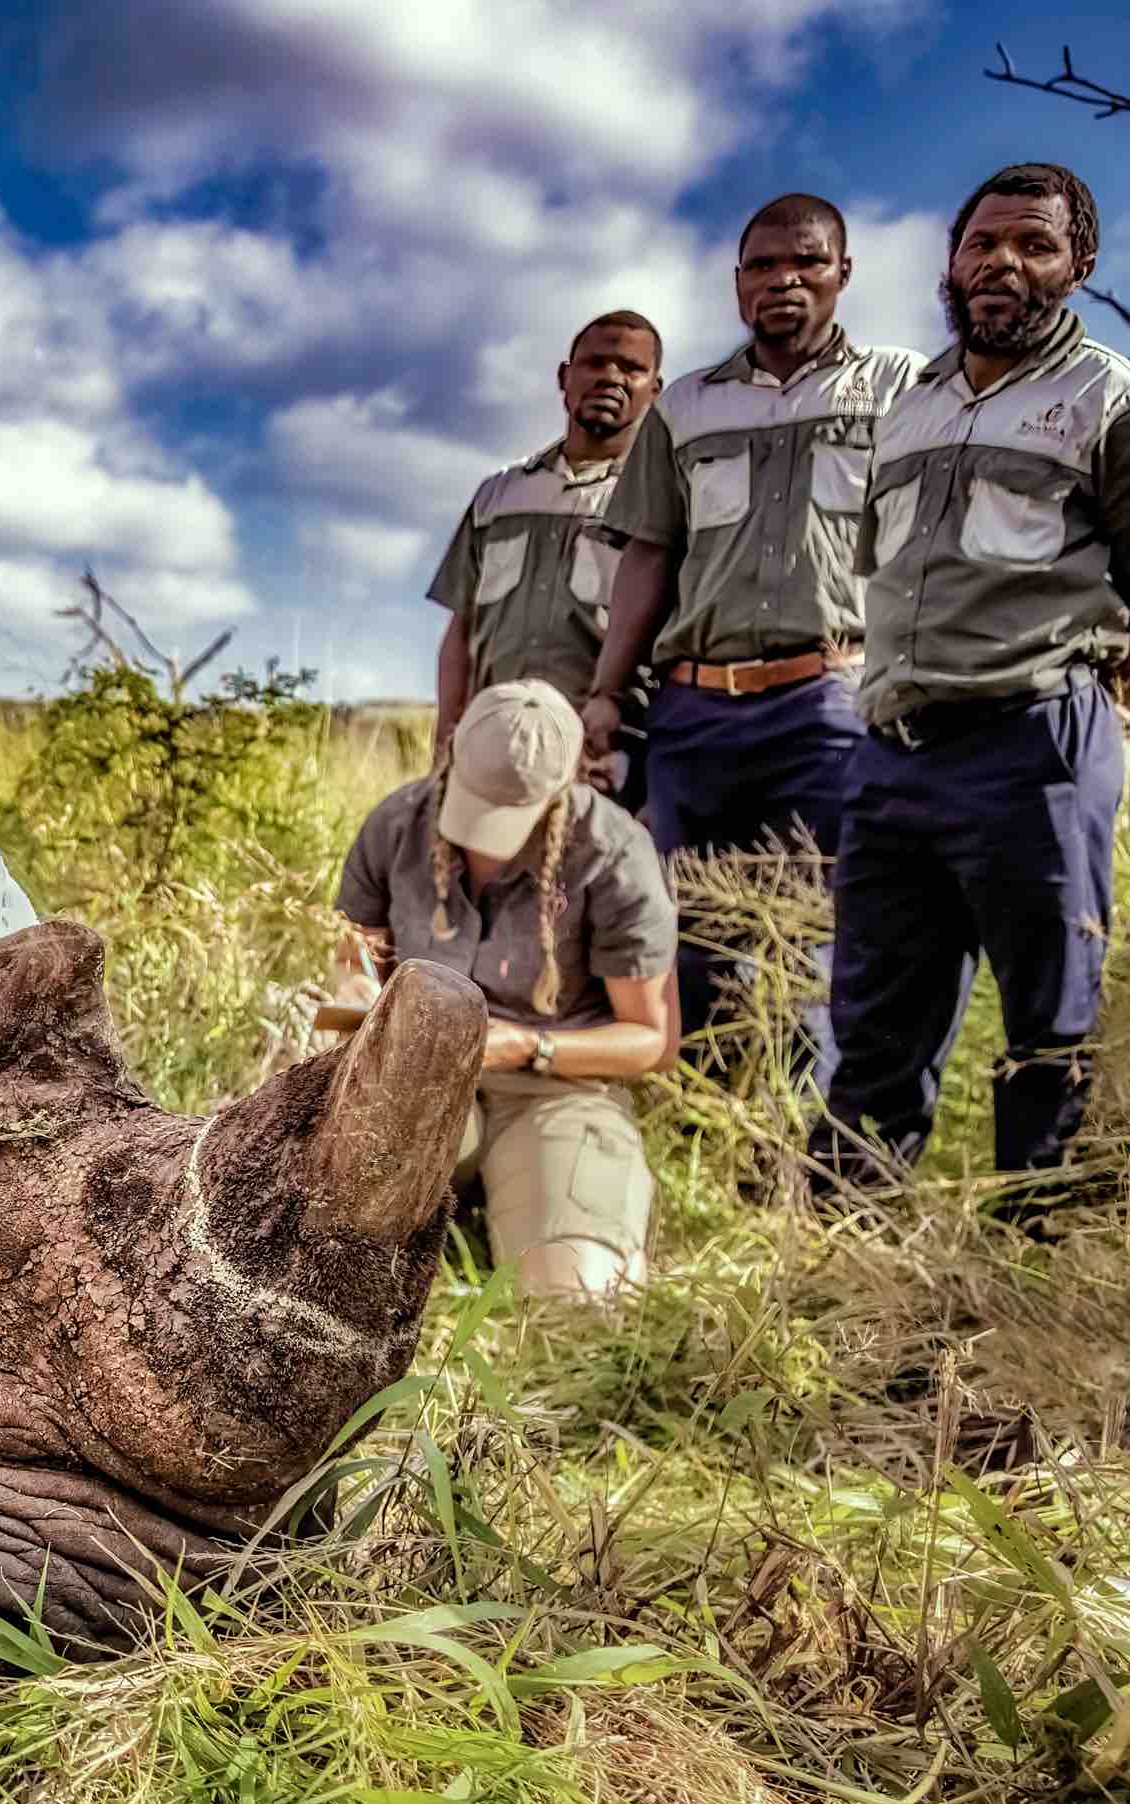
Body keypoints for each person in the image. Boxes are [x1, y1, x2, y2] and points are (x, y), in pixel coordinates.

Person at [815, 163, 1130, 1211]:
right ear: (951, 262)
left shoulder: (1106, 395)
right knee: (872, 1038)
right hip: (892, 758)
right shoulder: (906, 408)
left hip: (1034, 744)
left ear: (1077, 266)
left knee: (1051, 1036)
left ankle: (1033, 1301)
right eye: (983, 242)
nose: (1003, 262)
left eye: (1034, 245)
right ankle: (844, 1288)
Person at [580, 195, 927, 1086]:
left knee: (811, 937)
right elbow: (651, 555)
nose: (786, 281)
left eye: (807, 263)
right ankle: (701, 1123)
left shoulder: (901, 387)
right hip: (697, 714)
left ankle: (787, 1154)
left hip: (832, 702)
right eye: (764, 266)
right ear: (737, 284)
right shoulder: (687, 406)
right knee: (687, 935)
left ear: (843, 275)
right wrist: (607, 693)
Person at [333, 681, 679, 1298]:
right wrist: (358, 991)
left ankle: (532, 1208)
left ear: (560, 790)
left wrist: (527, 1047)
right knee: (323, 1242)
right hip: (421, 1076)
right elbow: (355, 955)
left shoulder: (615, 855)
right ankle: (472, 1210)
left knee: (581, 1299)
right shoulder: (396, 824)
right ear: (451, 756)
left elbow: (649, 1041)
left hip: (555, 1089)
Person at [429, 312, 666, 810]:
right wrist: (447, 737)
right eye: (595, 363)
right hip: (492, 746)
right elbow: (461, 628)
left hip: (603, 757)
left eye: (631, 368)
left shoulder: (664, 498)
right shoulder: (499, 493)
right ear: (565, 378)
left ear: (656, 390)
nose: (611, 377)